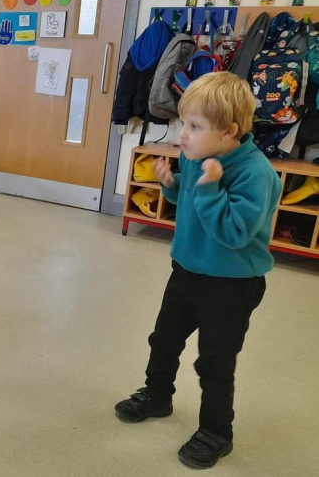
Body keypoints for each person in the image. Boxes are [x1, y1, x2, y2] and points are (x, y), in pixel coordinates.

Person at [114, 72, 281, 469]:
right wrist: (172, 184)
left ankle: (217, 431)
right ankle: (158, 395)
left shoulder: (255, 174)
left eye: (193, 126)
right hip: (188, 269)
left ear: (229, 133)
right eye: (182, 123)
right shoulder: (197, 158)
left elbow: (234, 232)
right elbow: (189, 198)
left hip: (231, 283)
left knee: (215, 360)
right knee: (164, 339)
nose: (183, 134)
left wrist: (209, 187)